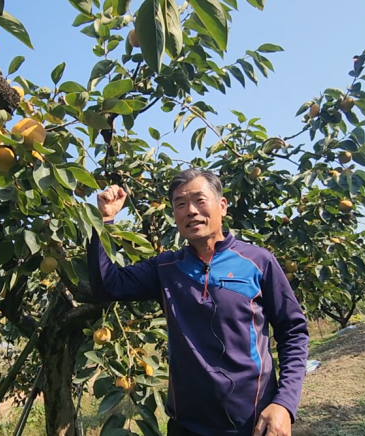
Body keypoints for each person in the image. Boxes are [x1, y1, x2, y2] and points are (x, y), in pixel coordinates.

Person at [87, 168, 309, 436]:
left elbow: (293, 331)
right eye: (180, 204)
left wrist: (284, 403)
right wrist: (104, 220)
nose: (191, 211)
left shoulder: (258, 262)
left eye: (199, 200)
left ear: (222, 206)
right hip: (186, 425)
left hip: (252, 422)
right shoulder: (166, 268)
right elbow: (107, 285)